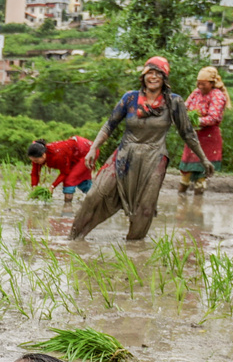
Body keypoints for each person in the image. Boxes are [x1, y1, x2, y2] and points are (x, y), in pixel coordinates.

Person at [71, 56, 213, 241]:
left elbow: (187, 133)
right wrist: (93, 148)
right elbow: (109, 125)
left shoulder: (173, 102)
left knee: (145, 209)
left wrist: (203, 159)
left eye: (158, 74)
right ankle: (74, 238)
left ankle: (133, 248)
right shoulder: (130, 98)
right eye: (149, 73)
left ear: (164, 78)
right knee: (94, 195)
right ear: (143, 77)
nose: (153, 77)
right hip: (124, 155)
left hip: (154, 157)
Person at [178, 66, 230, 195]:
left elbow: (214, 117)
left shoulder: (217, 95)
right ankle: (181, 201)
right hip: (194, 136)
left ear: (212, 83)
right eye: (198, 83)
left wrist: (196, 121)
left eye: (203, 84)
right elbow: (185, 106)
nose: (200, 86)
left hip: (209, 137)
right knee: (186, 172)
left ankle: (197, 204)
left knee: (201, 172)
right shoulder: (196, 92)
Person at [27, 136, 93, 204]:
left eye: (36, 160)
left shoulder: (58, 155)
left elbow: (65, 172)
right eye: (33, 160)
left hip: (86, 150)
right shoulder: (37, 157)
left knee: (70, 180)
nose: (35, 162)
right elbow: (35, 173)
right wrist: (34, 187)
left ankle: (68, 208)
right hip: (73, 152)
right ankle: (94, 196)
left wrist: (52, 187)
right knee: (78, 178)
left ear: (43, 155)